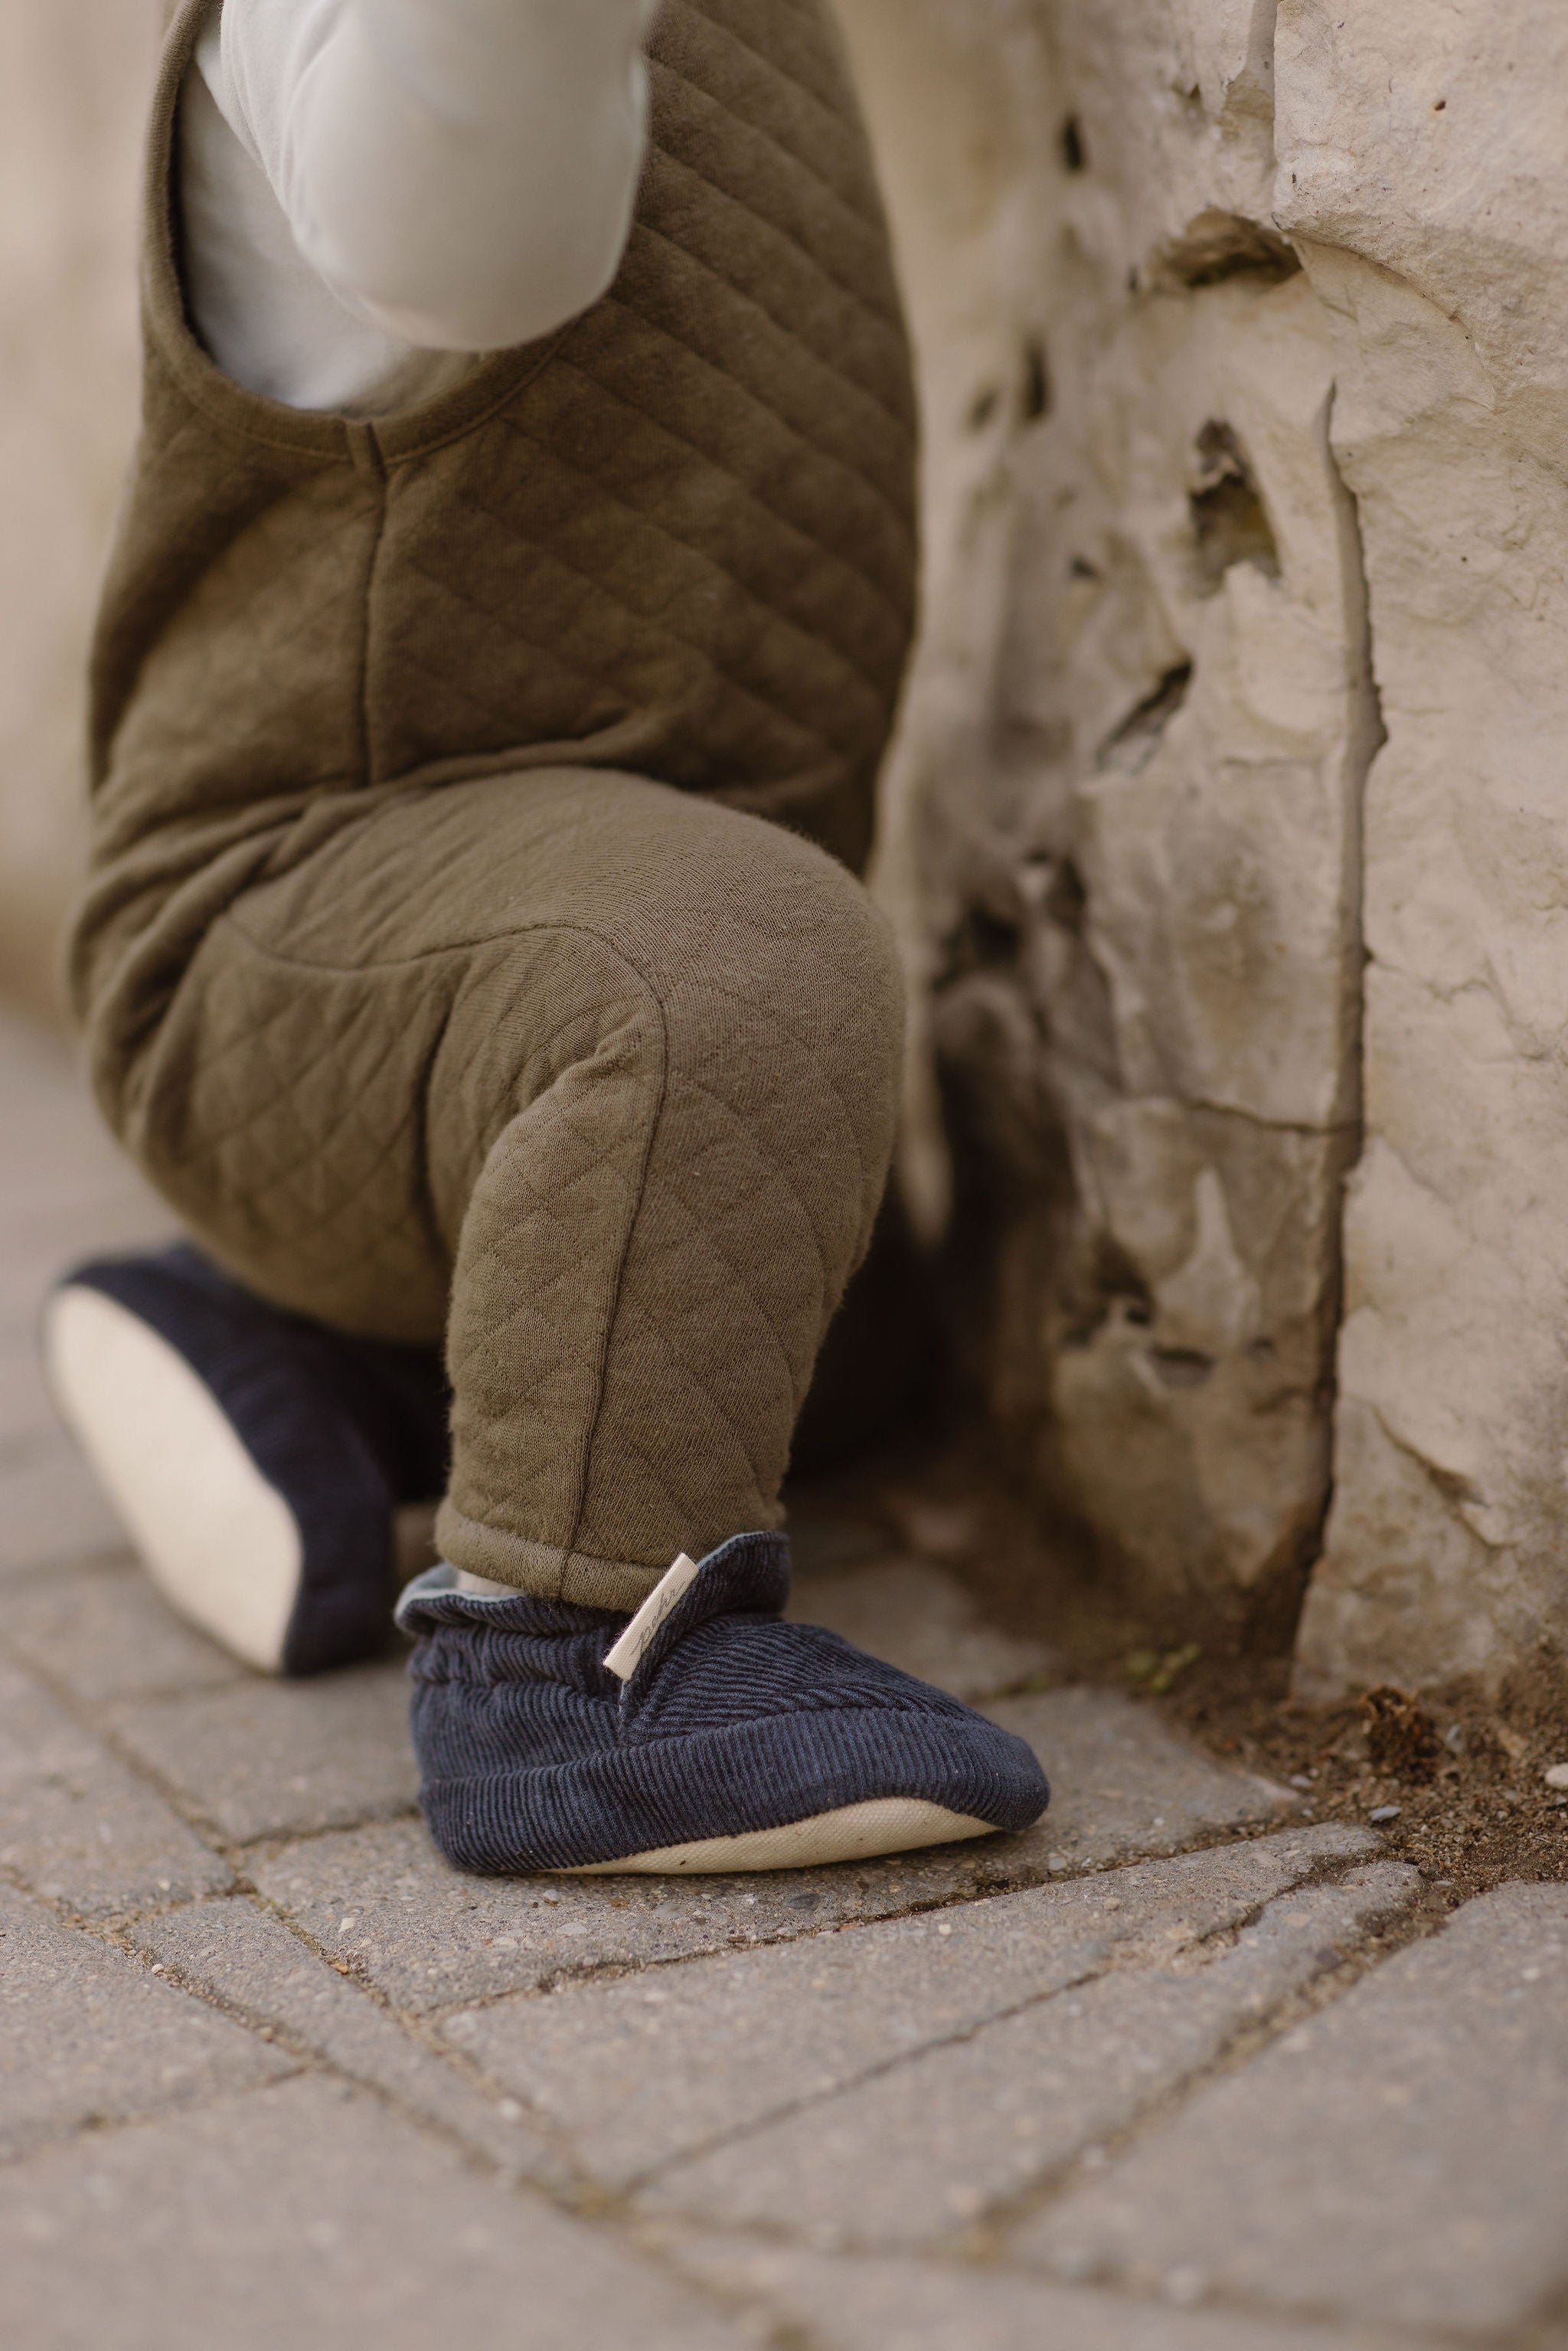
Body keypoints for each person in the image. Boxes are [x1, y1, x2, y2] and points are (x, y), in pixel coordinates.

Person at [46, 0, 1048, 1875]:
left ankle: (310, 1357)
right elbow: (468, 222)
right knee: (731, 981)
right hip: (289, 938)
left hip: (530, 946)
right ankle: (565, 1666)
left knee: (848, 1345)